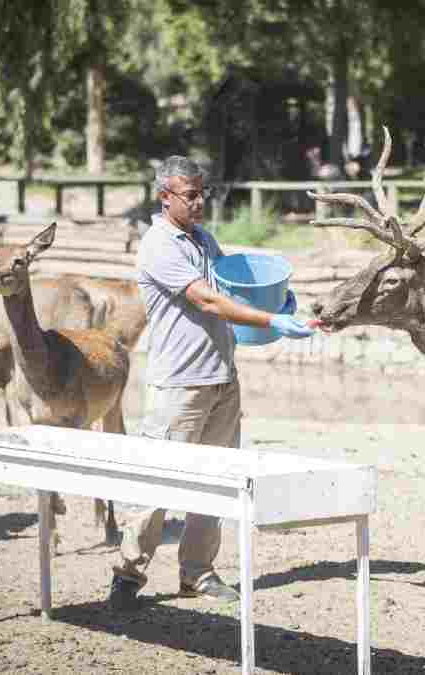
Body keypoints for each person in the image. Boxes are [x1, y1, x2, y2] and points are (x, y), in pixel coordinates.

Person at [108, 156, 315, 610]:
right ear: (165, 198)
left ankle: (197, 573)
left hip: (222, 378)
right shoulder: (160, 245)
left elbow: (231, 287)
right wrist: (272, 320)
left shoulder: (203, 239)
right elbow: (209, 301)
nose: (201, 202)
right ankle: (128, 574)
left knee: (216, 482)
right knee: (158, 480)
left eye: (204, 193)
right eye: (191, 195)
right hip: (179, 384)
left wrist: (278, 301)